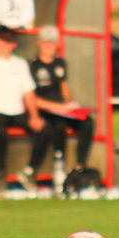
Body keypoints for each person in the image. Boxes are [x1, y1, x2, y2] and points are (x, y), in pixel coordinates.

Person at [0, 26, 47, 193]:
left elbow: (28, 93)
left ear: (14, 44)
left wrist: (35, 116)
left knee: (44, 129)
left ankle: (29, 172)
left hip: (16, 111)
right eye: (2, 40)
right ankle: (0, 175)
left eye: (9, 40)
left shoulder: (20, 63)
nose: (5, 44)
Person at [29, 25, 95, 193]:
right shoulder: (33, 66)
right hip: (45, 110)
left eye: (52, 43)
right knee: (58, 125)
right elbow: (31, 98)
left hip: (62, 109)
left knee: (88, 123)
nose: (49, 46)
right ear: (39, 43)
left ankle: (80, 165)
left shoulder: (60, 63)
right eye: (46, 43)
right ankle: (59, 165)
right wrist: (57, 107)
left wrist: (73, 105)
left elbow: (64, 90)